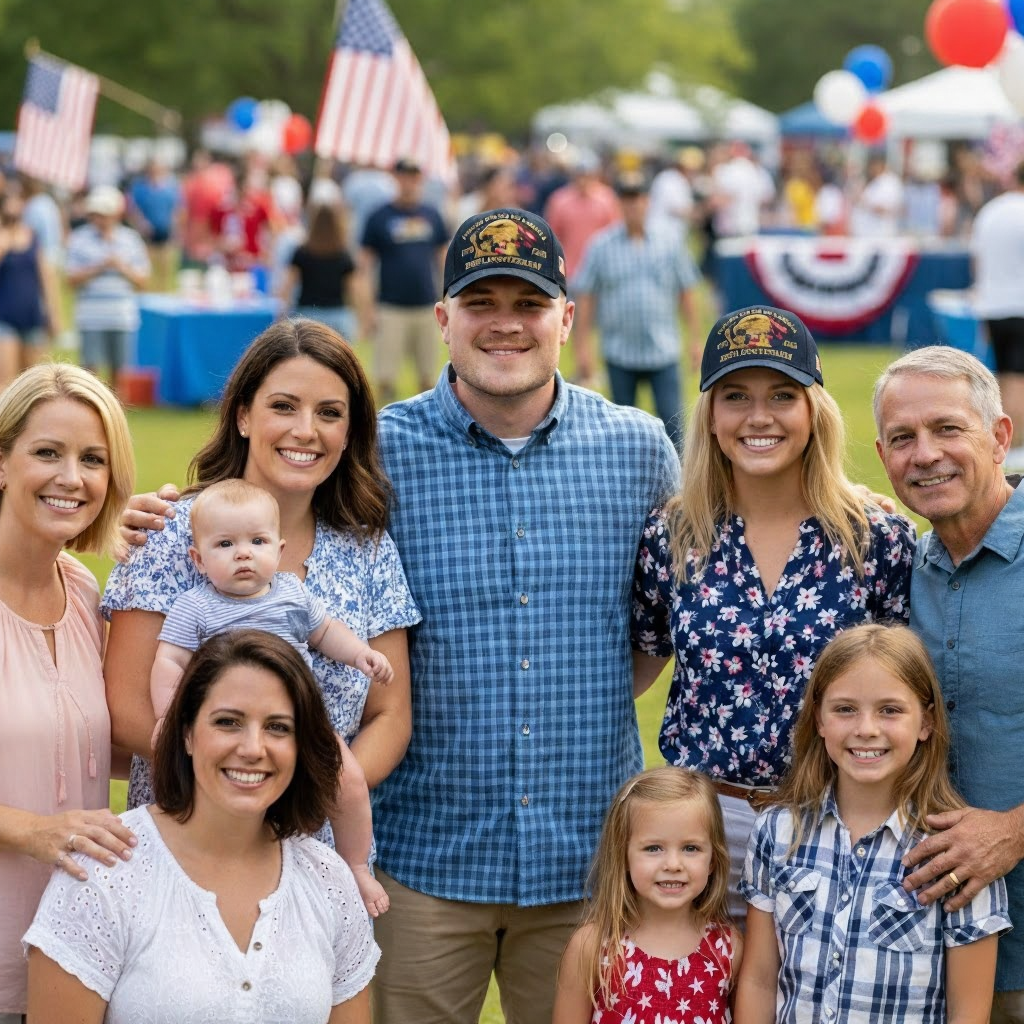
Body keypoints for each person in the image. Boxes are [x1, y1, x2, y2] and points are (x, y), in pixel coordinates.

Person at [367, 206, 680, 1024]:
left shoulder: (640, 447)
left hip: (588, 869)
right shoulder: (377, 453)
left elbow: (655, 628)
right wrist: (170, 514)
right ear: (443, 321)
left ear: (567, 318)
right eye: (481, 304)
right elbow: (264, 522)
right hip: (421, 862)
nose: (505, 325)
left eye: (529, 304)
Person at [102, 319, 420, 876]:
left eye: (329, 413)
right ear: (244, 415)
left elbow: (390, 714)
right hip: (183, 840)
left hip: (309, 845)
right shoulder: (171, 535)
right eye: (284, 406)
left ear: (349, 433)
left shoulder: (367, 551)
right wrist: (241, 779)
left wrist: (311, 790)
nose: (306, 430)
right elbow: (125, 710)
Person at [631, 304, 916, 918]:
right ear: (710, 416)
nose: (758, 417)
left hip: (839, 819)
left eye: (781, 395)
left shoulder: (876, 536)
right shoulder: (673, 535)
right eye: (735, 396)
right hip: (707, 827)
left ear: (813, 411)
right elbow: (636, 664)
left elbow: (916, 690)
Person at [25, 630, 380, 1024]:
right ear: (187, 733)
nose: (252, 748)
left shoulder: (328, 881)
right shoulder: (104, 873)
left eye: (278, 727)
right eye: (228, 722)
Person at [735, 623, 1009, 1023]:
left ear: (925, 723)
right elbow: (759, 980)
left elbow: (968, 1013)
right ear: (819, 720)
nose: (866, 729)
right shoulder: (777, 833)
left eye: (890, 710)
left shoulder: (958, 852)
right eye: (845, 709)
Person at [150, 477, 393, 916]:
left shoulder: (291, 594)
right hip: (230, 726)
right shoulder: (197, 606)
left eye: (256, 541)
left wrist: (362, 654)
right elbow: (169, 661)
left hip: (299, 720)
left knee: (349, 781)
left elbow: (326, 633)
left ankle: (356, 864)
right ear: (198, 559)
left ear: (279, 553)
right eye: (225, 544)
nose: (243, 553)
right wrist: (169, 718)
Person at [873, 346, 1024, 1021]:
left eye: (947, 429)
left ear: (999, 436)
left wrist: (1014, 832)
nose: (925, 454)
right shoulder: (902, 568)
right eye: (903, 439)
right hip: (935, 954)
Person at [0, 363, 137, 1021]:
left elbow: (90, 742)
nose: (71, 477)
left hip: (69, 958)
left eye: (92, 459)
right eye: (47, 453)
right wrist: (34, 831)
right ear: (2, 462)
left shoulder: (84, 589)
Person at [552, 767, 742, 1024]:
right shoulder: (592, 947)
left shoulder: (727, 947)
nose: (673, 864)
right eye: (653, 848)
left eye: (690, 848)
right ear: (624, 856)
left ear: (713, 860)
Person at [572, 171, 701, 449]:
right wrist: (583, 347)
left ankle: (682, 488)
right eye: (628, 199)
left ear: (648, 202)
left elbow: (686, 292)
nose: (634, 206)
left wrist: (695, 340)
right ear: (620, 203)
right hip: (620, 351)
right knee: (621, 430)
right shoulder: (601, 245)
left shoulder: (670, 242)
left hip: (663, 350)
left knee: (674, 426)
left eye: (639, 199)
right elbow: (586, 297)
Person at [359, 157, 449, 404]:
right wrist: (367, 308)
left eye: (413, 176)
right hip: (391, 306)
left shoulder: (432, 214)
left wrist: (448, 296)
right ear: (396, 178)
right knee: (385, 377)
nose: (408, 182)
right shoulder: (379, 216)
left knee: (429, 376)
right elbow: (364, 266)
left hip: (425, 304)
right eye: (403, 176)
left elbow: (443, 258)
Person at [65, 185, 150, 384]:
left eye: (103, 214)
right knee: (89, 373)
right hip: (91, 316)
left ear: (116, 214)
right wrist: (100, 266)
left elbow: (142, 281)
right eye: (96, 214)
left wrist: (121, 267)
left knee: (120, 372)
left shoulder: (131, 239)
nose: (99, 219)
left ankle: (114, 414)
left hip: (121, 315)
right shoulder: (79, 239)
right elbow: (70, 279)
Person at [969, 161, 1024, 467]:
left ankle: (1003, 441)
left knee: (1003, 375)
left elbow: (977, 261)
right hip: (1019, 304)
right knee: (1018, 378)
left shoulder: (990, 210)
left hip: (992, 304)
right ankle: (1014, 446)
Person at [0, 188, 63, 391]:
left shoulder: (33, 238)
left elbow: (47, 279)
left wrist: (53, 314)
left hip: (32, 315)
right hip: (4, 316)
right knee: (6, 381)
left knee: (34, 382)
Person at [280, 203, 368, 343]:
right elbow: (356, 290)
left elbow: (287, 286)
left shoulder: (301, 252)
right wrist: (363, 318)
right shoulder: (343, 255)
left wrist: (282, 313)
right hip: (338, 316)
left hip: (307, 314)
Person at [543, 149, 619, 281]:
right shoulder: (560, 200)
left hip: (600, 272)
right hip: (568, 271)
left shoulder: (606, 199)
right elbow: (552, 237)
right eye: (580, 175)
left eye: (588, 175)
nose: (584, 180)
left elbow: (615, 234)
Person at [849, 155, 904, 238]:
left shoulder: (889, 182)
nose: (871, 169)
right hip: (866, 234)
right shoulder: (875, 181)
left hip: (880, 234)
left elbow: (890, 209)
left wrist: (865, 203)